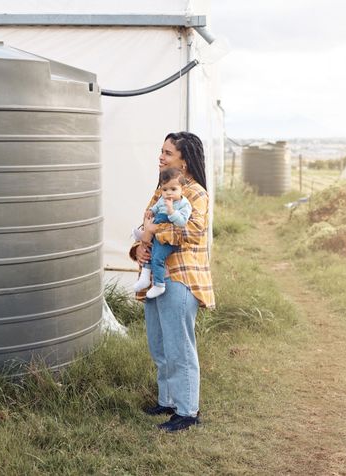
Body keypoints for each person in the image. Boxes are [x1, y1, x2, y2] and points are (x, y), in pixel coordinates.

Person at [130, 131, 215, 432]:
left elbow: (191, 233)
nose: (161, 156)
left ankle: (188, 411)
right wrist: (141, 244)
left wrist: (153, 234)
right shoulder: (163, 188)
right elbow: (146, 224)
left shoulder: (196, 194)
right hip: (157, 275)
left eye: (167, 152)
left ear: (185, 160)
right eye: (161, 151)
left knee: (179, 347)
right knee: (160, 345)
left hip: (179, 278)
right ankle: (168, 401)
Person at [132, 167, 192, 299]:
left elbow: (182, 222)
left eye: (173, 189)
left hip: (168, 240)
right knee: (150, 251)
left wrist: (171, 211)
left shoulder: (184, 204)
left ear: (183, 189)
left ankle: (159, 284)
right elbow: (156, 207)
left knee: (158, 257)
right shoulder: (162, 199)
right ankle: (145, 277)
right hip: (157, 233)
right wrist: (151, 212)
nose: (168, 193)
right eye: (165, 190)